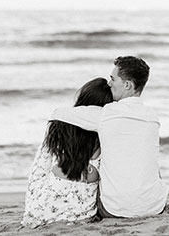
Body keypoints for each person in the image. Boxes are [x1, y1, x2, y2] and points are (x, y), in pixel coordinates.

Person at [51, 56, 168, 218]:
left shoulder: (106, 114)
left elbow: (58, 113)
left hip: (115, 210)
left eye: (113, 79)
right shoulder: (153, 117)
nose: (109, 83)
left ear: (127, 85)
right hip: (155, 206)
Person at [21, 77, 113, 227]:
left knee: (42, 169)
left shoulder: (58, 126)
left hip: (41, 212)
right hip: (82, 215)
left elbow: (38, 170)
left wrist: (32, 209)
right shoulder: (106, 133)